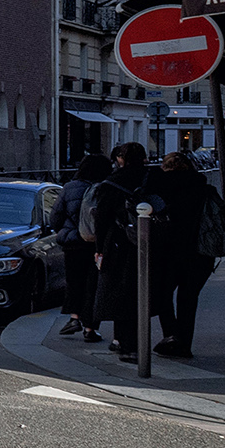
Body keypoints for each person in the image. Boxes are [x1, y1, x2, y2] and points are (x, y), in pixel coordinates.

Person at [87, 141, 161, 360]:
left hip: (119, 242)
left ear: (121, 159)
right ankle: (135, 342)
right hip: (150, 241)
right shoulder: (153, 178)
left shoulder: (111, 183)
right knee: (142, 293)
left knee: (120, 292)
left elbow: (101, 218)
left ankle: (125, 342)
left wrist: (99, 249)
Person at [151, 150, 219, 360]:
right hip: (200, 252)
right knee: (188, 299)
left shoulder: (160, 188)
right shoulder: (205, 189)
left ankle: (171, 336)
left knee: (162, 295)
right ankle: (184, 343)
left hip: (168, 252)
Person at [55, 149, 110, 339]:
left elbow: (56, 217)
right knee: (93, 285)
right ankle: (90, 328)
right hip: (97, 244)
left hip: (72, 244)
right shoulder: (105, 187)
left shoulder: (69, 187)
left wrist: (66, 231)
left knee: (74, 281)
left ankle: (73, 317)